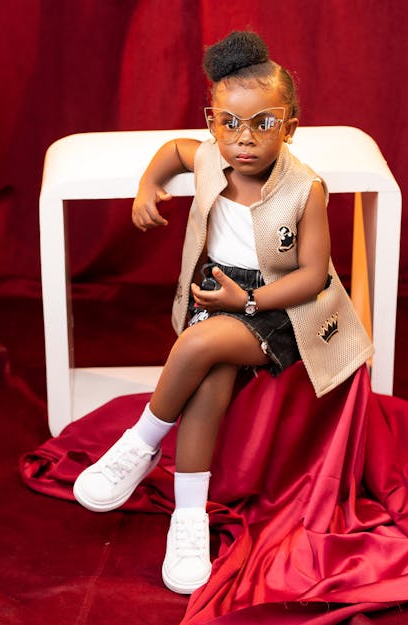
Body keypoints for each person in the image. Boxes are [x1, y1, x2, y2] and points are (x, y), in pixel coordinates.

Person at [73, 30, 373, 595]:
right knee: (208, 384)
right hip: (220, 295)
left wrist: (249, 300)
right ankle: (188, 520)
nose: (244, 139)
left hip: (282, 309)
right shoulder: (212, 155)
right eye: (229, 123)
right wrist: (148, 185)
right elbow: (173, 152)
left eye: (263, 124)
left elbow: (313, 274)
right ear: (213, 122)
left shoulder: (304, 189)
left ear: (289, 126)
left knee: (198, 345)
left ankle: (139, 443)